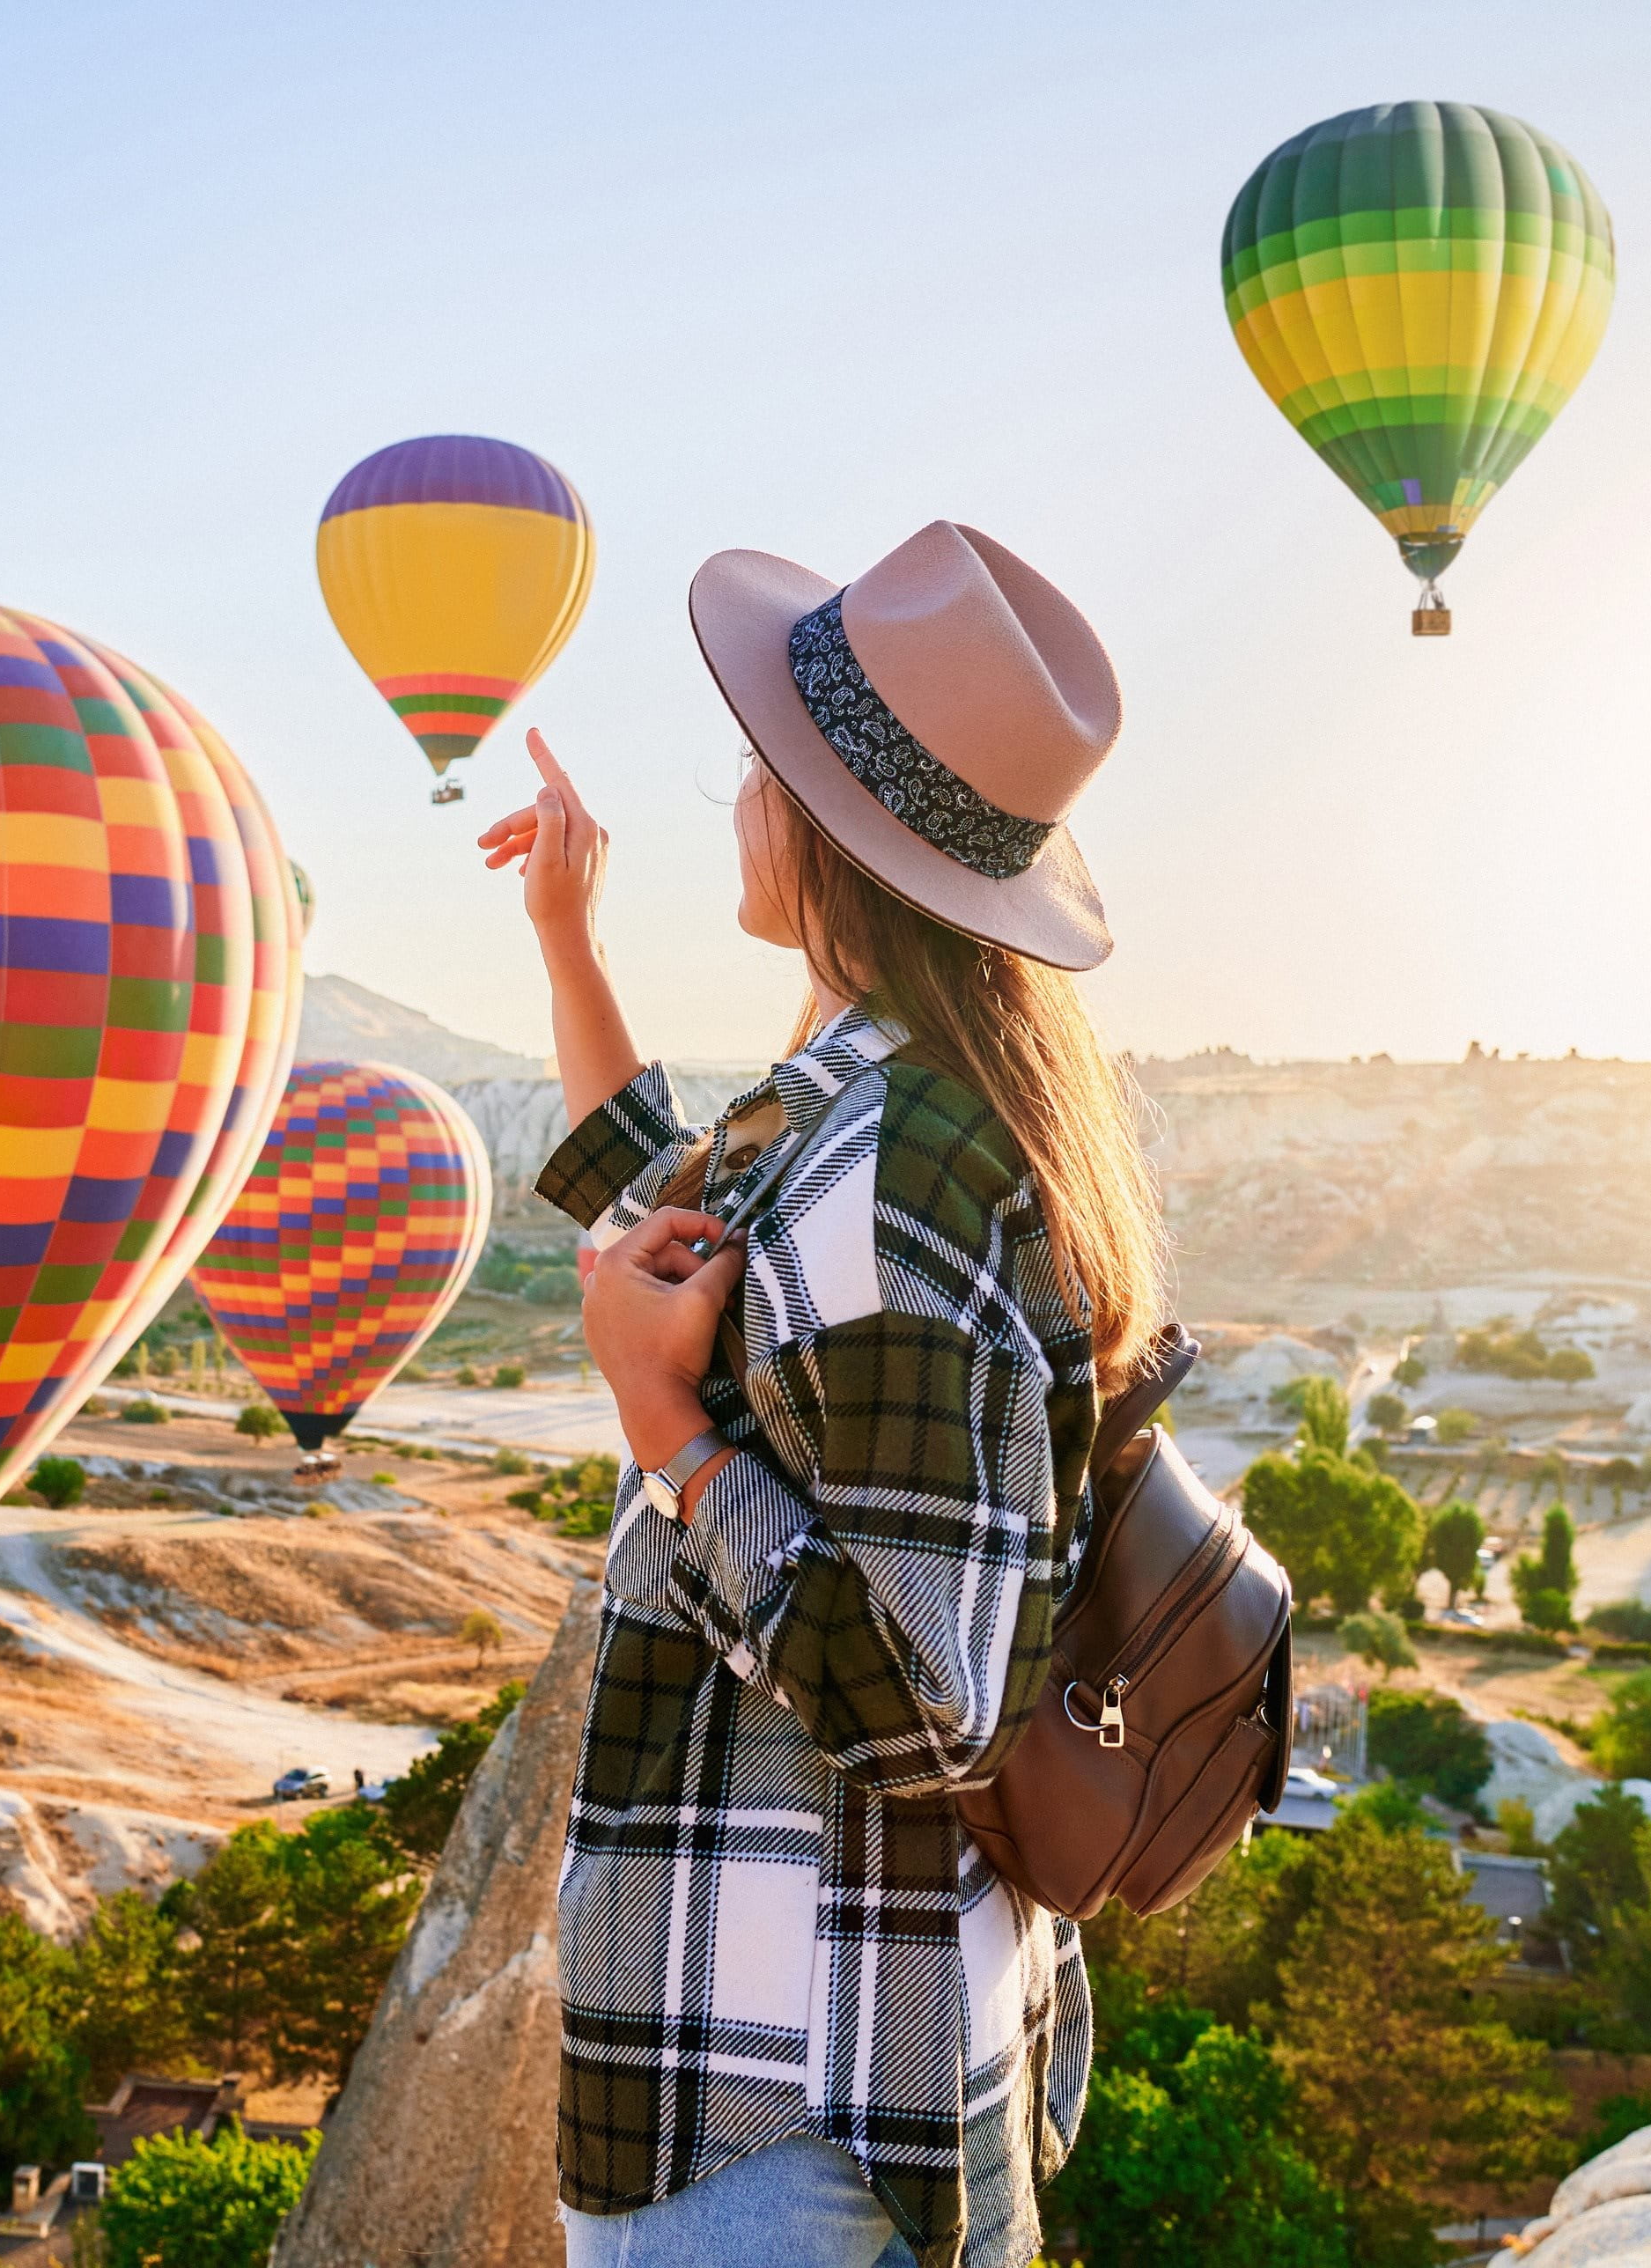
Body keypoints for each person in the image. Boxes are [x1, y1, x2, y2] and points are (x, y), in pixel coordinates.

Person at [483, 522, 1167, 2268]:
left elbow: (931, 1700)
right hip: (849, 2072)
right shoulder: (887, 1116)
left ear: (827, 826)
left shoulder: (890, 1175)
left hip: (778, 2113)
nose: (734, 796)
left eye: (755, 766)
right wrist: (568, 935)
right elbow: (672, 1228)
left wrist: (669, 1438)